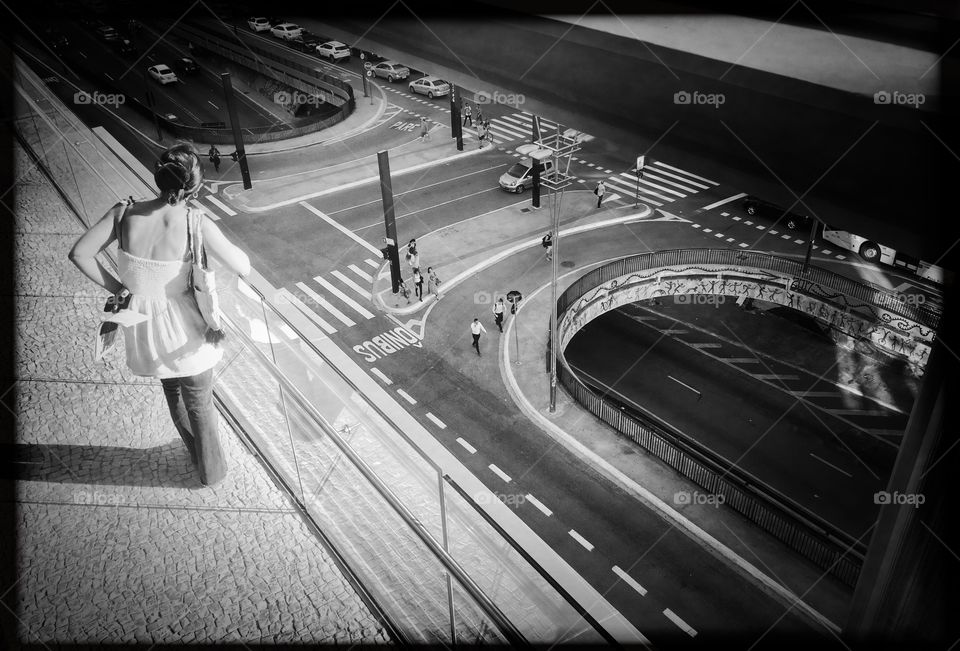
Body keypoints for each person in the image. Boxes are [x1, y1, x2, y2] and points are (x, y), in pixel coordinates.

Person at [68, 143, 251, 487]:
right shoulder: (195, 222)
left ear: (158, 179)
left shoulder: (123, 213)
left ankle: (197, 453)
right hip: (186, 329)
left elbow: (80, 253)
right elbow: (243, 267)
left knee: (174, 392)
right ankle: (211, 472)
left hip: (143, 324)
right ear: (194, 187)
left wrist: (120, 287)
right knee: (200, 401)